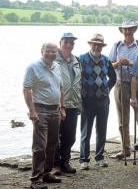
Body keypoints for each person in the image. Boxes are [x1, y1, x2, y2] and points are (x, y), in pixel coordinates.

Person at [23, 43, 65, 189]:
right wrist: (32, 110)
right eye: (48, 51)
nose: (51, 54)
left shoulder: (57, 66)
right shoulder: (33, 67)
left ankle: (46, 173)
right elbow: (26, 89)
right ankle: (36, 179)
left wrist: (62, 107)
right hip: (40, 109)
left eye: (54, 51)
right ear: (42, 51)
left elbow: (61, 87)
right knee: (40, 146)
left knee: (52, 145)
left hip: (55, 110)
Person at [109, 20, 138, 159]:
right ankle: (125, 149)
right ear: (122, 31)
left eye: (130, 29)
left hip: (137, 85)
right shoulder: (117, 45)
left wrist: (131, 63)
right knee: (122, 119)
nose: (128, 31)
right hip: (121, 84)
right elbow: (109, 65)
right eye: (125, 29)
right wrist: (119, 63)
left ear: (134, 30)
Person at [79, 33, 116, 170]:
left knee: (102, 130)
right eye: (94, 44)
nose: (97, 47)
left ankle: (99, 157)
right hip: (87, 101)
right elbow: (76, 80)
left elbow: (113, 78)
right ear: (90, 44)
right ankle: (84, 159)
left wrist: (106, 90)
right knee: (86, 131)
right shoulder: (81, 59)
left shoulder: (106, 60)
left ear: (102, 46)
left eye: (99, 45)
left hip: (103, 101)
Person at [53, 33, 81, 174]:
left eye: (72, 42)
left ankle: (65, 161)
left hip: (73, 104)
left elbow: (78, 83)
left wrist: (80, 103)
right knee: (55, 135)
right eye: (66, 42)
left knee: (70, 136)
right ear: (60, 43)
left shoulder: (76, 60)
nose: (69, 45)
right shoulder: (53, 59)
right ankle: (55, 164)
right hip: (57, 104)